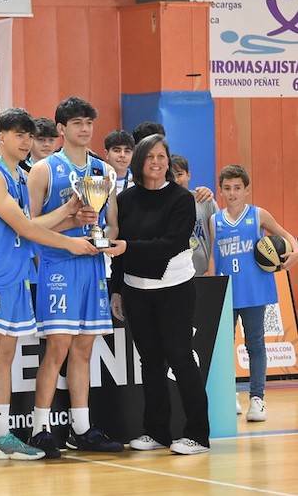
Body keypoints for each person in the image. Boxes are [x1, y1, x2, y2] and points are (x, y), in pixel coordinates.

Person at [0, 108, 97, 469]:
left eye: (28, 136)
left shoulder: (20, 177)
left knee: (6, 357)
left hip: (16, 277)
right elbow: (24, 227)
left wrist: (68, 211)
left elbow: (33, 222)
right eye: (18, 135)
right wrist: (69, 243)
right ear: (0, 137)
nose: (25, 142)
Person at [26, 97, 122, 456]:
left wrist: (105, 241)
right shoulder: (45, 169)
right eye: (78, 123)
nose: (85, 129)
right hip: (58, 266)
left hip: (92, 265)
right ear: (61, 129)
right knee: (58, 348)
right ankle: (40, 428)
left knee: (84, 348)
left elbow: (107, 221)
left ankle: (81, 428)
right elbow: (29, 225)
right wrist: (69, 224)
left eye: (89, 123)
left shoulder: (103, 171)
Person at [109, 133, 210, 455]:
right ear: (140, 161)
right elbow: (117, 252)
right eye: (150, 156)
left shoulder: (181, 199)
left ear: (168, 162)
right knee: (150, 361)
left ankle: (197, 434)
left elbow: (173, 244)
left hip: (174, 289)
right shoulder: (124, 200)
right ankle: (156, 431)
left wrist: (129, 248)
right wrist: (117, 290)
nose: (157, 162)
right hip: (136, 291)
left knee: (181, 359)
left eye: (162, 157)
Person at [207, 165, 297, 421]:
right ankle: (229, 394)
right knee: (223, 346)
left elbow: (286, 236)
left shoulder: (258, 215)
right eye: (227, 188)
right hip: (226, 291)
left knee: (255, 344)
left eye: (237, 188)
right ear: (221, 190)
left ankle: (257, 399)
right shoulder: (215, 220)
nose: (232, 193)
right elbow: (214, 257)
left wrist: (294, 252)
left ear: (247, 190)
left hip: (255, 290)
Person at [170, 155, 217, 276]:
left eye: (179, 174)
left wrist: (213, 268)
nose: (175, 180)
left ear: (188, 175)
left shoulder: (204, 200)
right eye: (171, 176)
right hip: (175, 278)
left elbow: (220, 236)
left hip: (206, 274)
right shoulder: (161, 207)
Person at [104, 130, 135, 195]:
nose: (122, 155)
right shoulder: (96, 181)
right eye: (117, 151)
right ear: (106, 154)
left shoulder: (138, 182)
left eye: (127, 151)